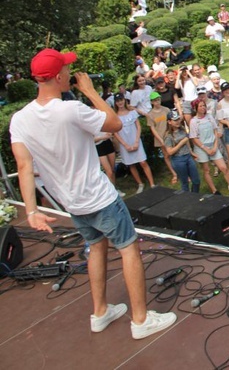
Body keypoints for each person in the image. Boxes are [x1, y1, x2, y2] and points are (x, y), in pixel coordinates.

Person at [10, 49, 177, 339]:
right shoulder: (71, 109)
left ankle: (100, 312)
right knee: (129, 249)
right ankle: (140, 320)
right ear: (59, 76)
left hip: (72, 203)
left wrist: (32, 211)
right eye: (67, 70)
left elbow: (24, 166)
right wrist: (90, 91)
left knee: (96, 247)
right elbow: (113, 124)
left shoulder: (20, 119)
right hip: (100, 197)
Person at [189, 98, 229, 195]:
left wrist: (215, 146)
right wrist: (205, 149)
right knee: (207, 170)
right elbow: (194, 138)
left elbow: (215, 130)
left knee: (223, 167)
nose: (203, 108)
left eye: (204, 105)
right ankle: (214, 190)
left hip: (213, 145)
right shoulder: (193, 121)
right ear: (196, 108)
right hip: (201, 148)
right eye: (200, 106)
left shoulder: (209, 117)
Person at [112, 93, 155, 193]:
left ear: (125, 100)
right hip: (125, 144)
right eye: (118, 101)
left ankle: (152, 183)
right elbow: (115, 133)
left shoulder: (132, 112)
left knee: (143, 162)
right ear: (115, 103)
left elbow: (138, 127)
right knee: (131, 164)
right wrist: (125, 145)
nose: (120, 102)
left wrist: (136, 141)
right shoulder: (115, 117)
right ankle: (140, 183)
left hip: (135, 140)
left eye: (121, 100)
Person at [163, 109, 201, 193]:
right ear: (169, 122)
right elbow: (169, 152)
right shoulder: (168, 136)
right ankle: (187, 199)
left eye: (178, 119)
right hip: (178, 160)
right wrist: (181, 143)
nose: (177, 122)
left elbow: (187, 140)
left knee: (196, 180)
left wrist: (191, 151)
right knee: (185, 183)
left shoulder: (182, 129)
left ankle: (194, 196)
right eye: (175, 120)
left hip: (188, 156)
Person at [145, 92, 178, 185]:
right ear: (152, 102)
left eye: (158, 100)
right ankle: (174, 173)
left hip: (169, 135)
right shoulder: (150, 114)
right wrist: (160, 139)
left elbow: (171, 122)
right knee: (166, 155)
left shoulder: (166, 110)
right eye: (155, 100)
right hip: (160, 138)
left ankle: (181, 171)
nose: (157, 102)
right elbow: (152, 129)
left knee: (175, 153)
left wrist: (170, 133)